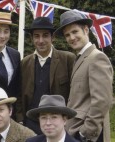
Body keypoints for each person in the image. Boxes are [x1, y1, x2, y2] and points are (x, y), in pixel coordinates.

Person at [54, 10, 113, 142]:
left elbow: (102, 101)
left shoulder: (97, 57)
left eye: (75, 32)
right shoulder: (80, 58)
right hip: (75, 130)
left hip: (89, 136)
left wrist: (85, 133)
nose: (71, 38)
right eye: (67, 35)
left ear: (86, 30)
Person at [18, 17, 76, 134]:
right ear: (31, 38)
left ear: (52, 37)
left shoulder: (67, 59)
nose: (41, 40)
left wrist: (69, 121)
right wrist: (20, 120)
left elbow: (75, 93)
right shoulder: (25, 62)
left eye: (45, 35)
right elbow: (19, 93)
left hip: (58, 124)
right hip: (31, 124)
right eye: (36, 36)